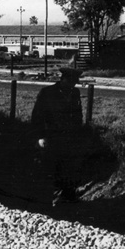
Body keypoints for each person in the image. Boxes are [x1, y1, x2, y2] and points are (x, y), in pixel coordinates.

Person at [31, 67, 84, 205]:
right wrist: (40, 136)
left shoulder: (75, 93)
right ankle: (46, 199)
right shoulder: (47, 93)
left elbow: (78, 116)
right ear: (62, 79)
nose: (73, 84)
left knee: (68, 168)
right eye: (70, 81)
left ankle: (67, 198)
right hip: (50, 137)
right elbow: (37, 116)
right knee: (48, 168)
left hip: (68, 138)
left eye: (75, 82)